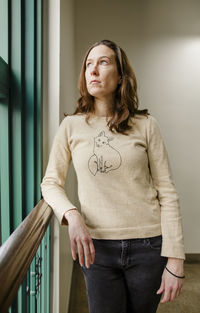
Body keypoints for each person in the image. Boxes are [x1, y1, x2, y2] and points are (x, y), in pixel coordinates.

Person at [41, 39, 185, 313]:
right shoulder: (71, 126)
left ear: (121, 76)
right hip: (96, 250)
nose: (93, 70)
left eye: (103, 62)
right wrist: (72, 215)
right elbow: (50, 183)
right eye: (88, 65)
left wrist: (175, 259)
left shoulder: (146, 125)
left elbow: (167, 192)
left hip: (149, 247)